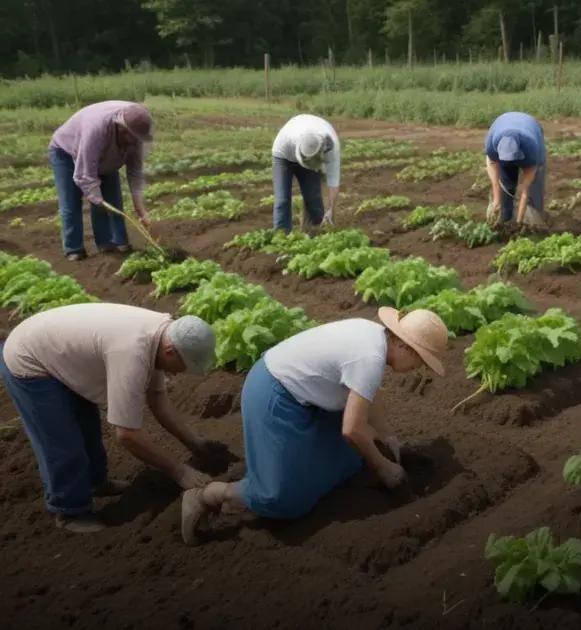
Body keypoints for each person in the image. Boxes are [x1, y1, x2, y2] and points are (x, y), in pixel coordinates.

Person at [180, 307, 448, 544]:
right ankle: (209, 495)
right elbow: (352, 429)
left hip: (308, 398)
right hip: (274, 395)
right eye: (420, 361)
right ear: (406, 347)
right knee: (283, 498)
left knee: (351, 457)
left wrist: (388, 436)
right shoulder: (370, 358)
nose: (418, 369)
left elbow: (369, 394)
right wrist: (385, 468)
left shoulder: (374, 336)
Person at [0, 304, 221, 533]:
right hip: (29, 359)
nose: (182, 372)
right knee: (63, 441)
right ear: (170, 352)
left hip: (59, 352)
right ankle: (69, 510)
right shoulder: (132, 352)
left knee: (87, 423)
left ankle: (96, 482)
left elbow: (158, 402)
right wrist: (180, 471)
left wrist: (196, 444)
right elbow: (127, 435)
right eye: (184, 365)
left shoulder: (161, 334)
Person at [49, 100, 154, 261]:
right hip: (67, 151)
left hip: (107, 157)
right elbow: (85, 175)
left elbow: (135, 173)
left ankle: (110, 243)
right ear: (121, 128)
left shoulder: (136, 133)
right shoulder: (96, 130)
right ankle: (74, 248)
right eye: (130, 137)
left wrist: (140, 209)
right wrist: (97, 198)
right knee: (71, 203)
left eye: (136, 139)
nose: (132, 142)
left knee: (114, 201)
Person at [272, 114, 341, 231]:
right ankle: (281, 235)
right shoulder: (289, 139)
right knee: (282, 200)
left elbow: (333, 182)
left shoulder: (331, 147)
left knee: (313, 198)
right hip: (282, 154)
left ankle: (317, 231)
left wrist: (330, 209)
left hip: (311, 146)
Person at [484, 111, 548, 228]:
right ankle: (505, 218)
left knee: (534, 189)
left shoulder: (532, 149)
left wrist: (519, 223)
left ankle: (533, 221)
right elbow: (492, 165)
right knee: (507, 185)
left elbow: (525, 190)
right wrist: (496, 199)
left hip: (531, 127)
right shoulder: (491, 145)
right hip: (502, 122)